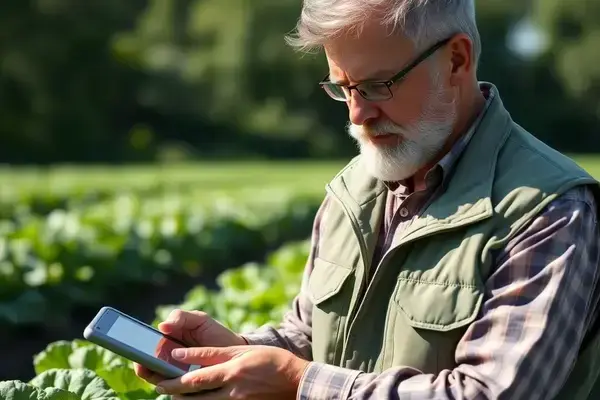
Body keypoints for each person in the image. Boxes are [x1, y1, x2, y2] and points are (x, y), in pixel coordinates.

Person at [135, 1, 600, 399]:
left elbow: (487, 392)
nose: (359, 113)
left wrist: (299, 384)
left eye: (379, 86)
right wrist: (231, 352)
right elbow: (310, 334)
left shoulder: (548, 209)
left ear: (457, 60)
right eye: (343, 87)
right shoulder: (353, 188)